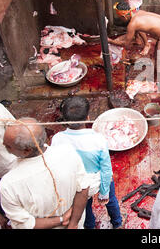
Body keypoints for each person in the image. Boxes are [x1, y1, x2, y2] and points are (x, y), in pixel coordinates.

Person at [0, 117, 90, 229]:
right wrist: (71, 222)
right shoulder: (68, 152)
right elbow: (83, 189)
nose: (3, 145)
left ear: (27, 150)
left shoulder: (9, 183)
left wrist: (70, 222)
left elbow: (26, 225)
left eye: (8, 146)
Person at [51, 96, 122, 229]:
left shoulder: (57, 139)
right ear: (88, 117)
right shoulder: (98, 139)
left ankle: (89, 225)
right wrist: (104, 192)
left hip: (76, 184)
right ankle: (117, 222)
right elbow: (106, 170)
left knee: (84, 206)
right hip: (97, 180)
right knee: (111, 201)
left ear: (65, 120)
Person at [108, 5, 160, 87]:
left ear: (124, 16)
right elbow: (140, 28)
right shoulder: (137, 13)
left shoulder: (132, 24)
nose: (120, 19)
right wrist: (143, 42)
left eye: (120, 17)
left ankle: (156, 84)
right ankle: (155, 79)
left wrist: (110, 40)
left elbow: (126, 44)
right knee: (158, 56)